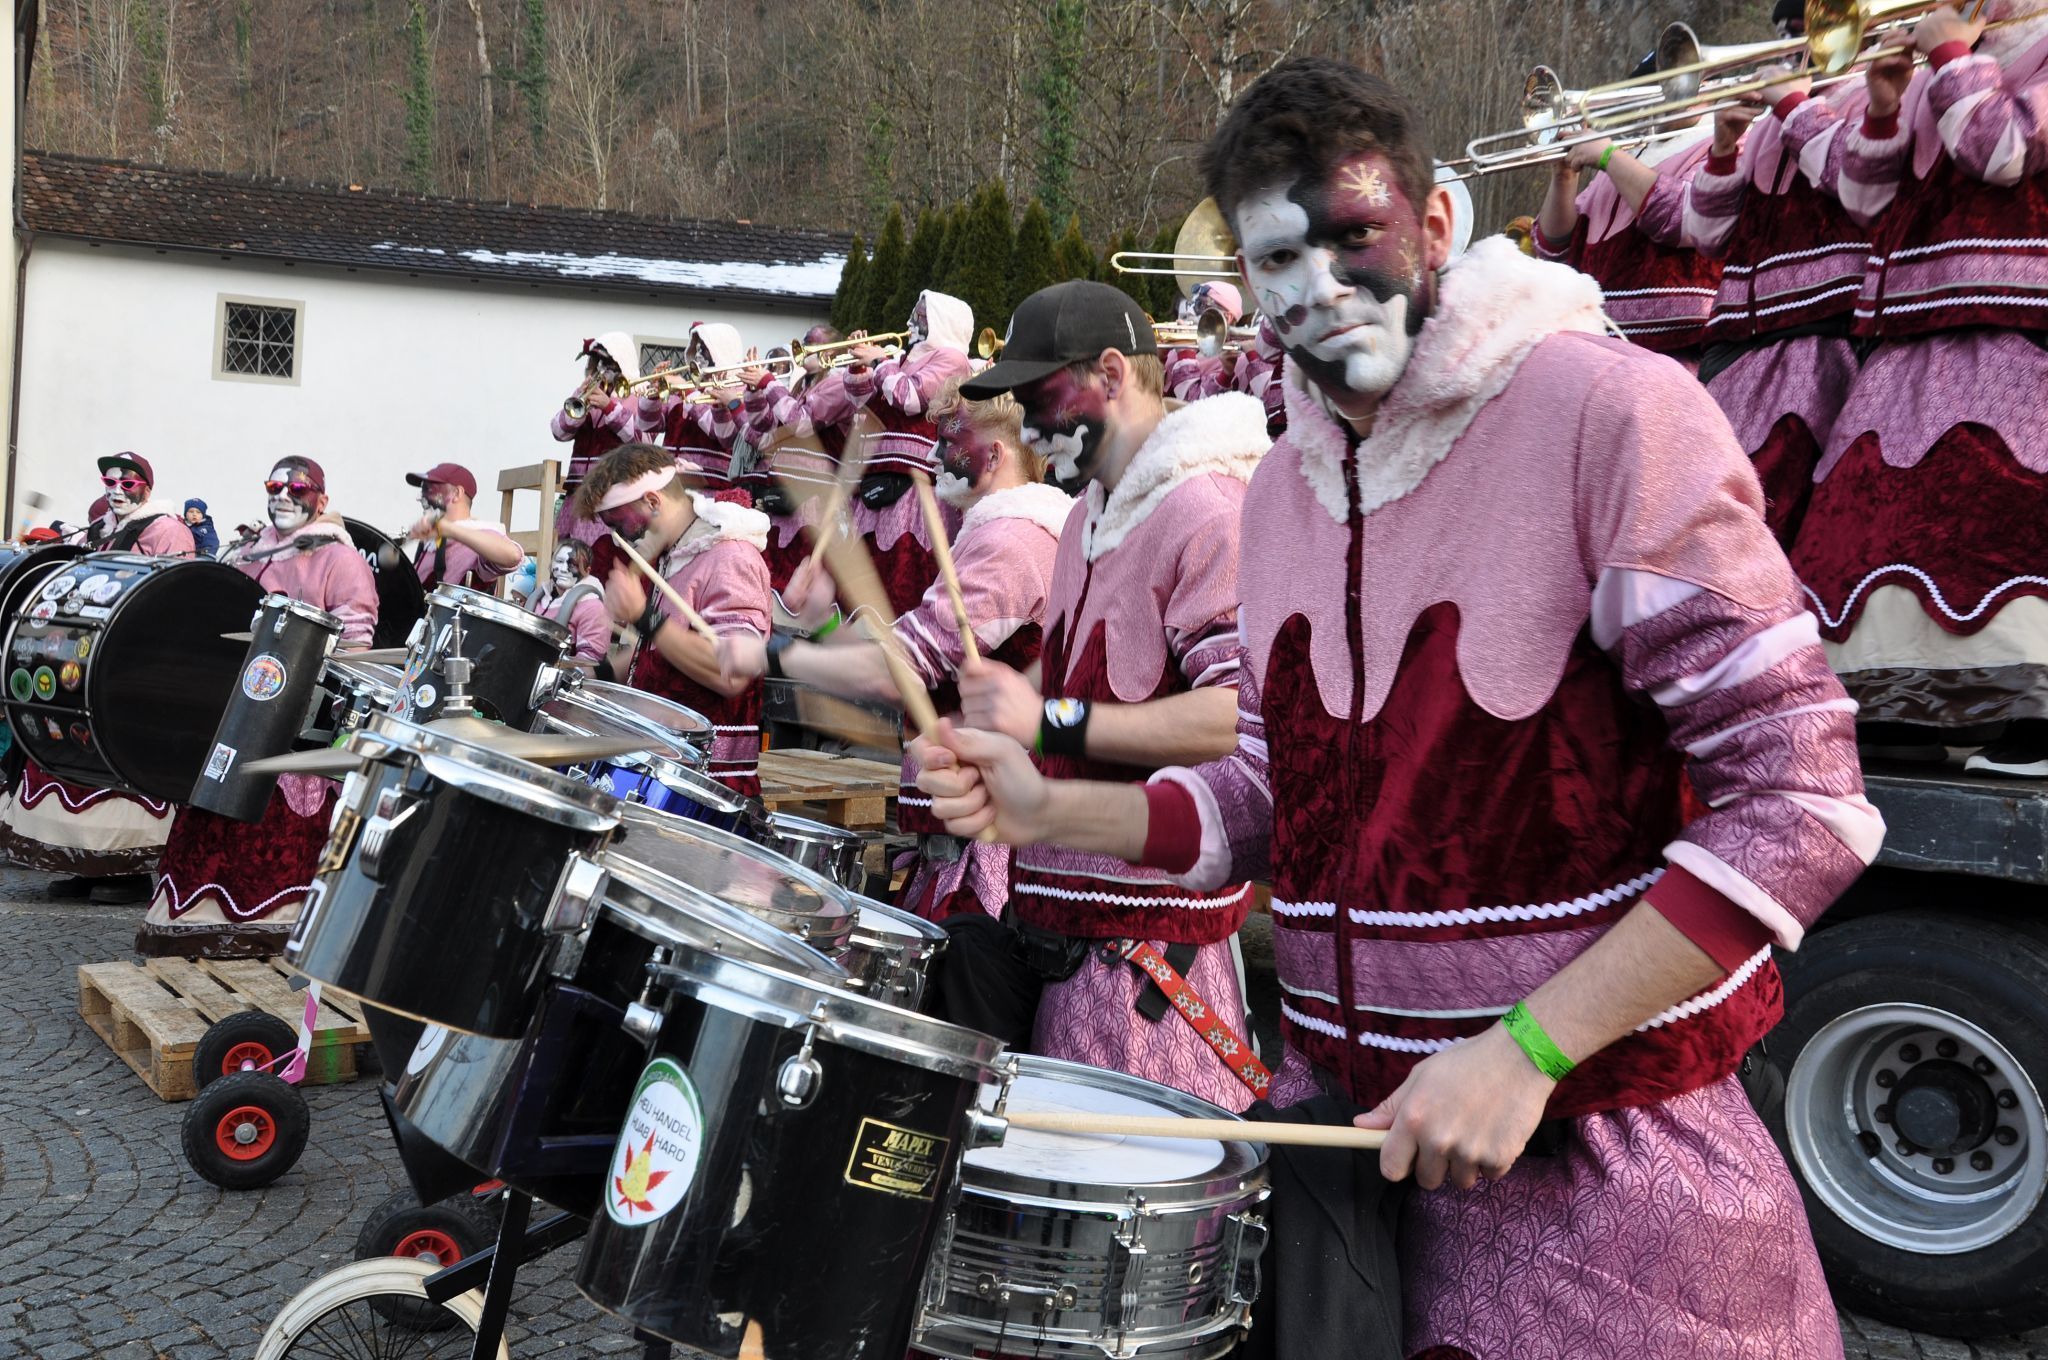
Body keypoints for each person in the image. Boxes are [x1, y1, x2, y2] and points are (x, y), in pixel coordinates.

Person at [916, 58, 1881, 1359]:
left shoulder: (1608, 410)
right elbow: (1271, 797)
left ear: (1434, 229)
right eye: (1276, 260)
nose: (1318, 286)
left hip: (1607, 1176)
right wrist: (1053, 800)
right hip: (1348, 1174)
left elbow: (1806, 802)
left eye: (1354, 235)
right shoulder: (1285, 492)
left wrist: (1531, 1049)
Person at [932, 279, 1270, 1114]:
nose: (1031, 423)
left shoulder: (1210, 509)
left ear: (1111, 374)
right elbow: (1077, 680)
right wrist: (1002, 738)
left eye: (1041, 395)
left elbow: (1237, 718)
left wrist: (1051, 723)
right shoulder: (1088, 512)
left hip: (1150, 969)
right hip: (1062, 939)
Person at [1775, 2, 2048, 774]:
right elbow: (1865, 201)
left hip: (2020, 319)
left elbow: (2002, 150)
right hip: (1918, 321)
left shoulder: (1983, 51)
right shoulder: (1959, 52)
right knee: (1874, 517)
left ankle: (2036, 721)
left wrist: (1955, 56)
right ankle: (1910, 712)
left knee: (2005, 512)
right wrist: (1888, 105)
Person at [773, 378, 1071, 922]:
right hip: (967, 821)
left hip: (992, 841)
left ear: (996, 454)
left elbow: (901, 671)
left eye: (949, 441)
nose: (933, 456)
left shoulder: (1011, 541)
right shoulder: (1000, 532)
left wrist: (785, 654)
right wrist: (823, 625)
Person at [1591, 56, 1871, 549]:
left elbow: (1862, 182)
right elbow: (1709, 228)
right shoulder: (1761, 125)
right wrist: (1725, 148)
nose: (1789, 53)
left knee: (1760, 530)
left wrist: (1789, 107)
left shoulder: (1856, 97)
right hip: (1738, 353)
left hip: (1815, 343)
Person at [139, 457, 379, 957]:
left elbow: (358, 638)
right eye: (275, 485)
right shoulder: (249, 550)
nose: (283, 495)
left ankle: (274, 929)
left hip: (296, 729)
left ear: (322, 500)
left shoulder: (340, 558)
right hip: (234, 716)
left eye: (297, 488)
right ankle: (196, 924)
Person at [0, 454, 195, 903]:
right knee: (78, 757)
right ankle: (82, 864)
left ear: (146, 486)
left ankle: (125, 871)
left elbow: (181, 593)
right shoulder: (102, 528)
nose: (117, 488)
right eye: (109, 480)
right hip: (90, 665)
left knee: (118, 765)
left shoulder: (167, 530)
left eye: (128, 482)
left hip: (138, 669)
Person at [576, 443, 772, 795]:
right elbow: (658, 659)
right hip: (660, 768)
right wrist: (589, 677)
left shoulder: (730, 557)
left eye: (618, 523)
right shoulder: (675, 556)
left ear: (652, 501)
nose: (619, 538)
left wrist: (644, 617)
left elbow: (732, 675)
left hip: (705, 787)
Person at [1533, 109, 1721, 367]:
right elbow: (1554, 250)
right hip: (1598, 353)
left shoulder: (1726, 142)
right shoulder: (1630, 152)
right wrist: (1563, 175)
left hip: (1676, 358)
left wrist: (1609, 156)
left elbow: (1682, 218)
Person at [828, 291, 975, 616]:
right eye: (917, 313)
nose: (916, 322)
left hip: (917, 478)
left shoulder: (952, 357)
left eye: (925, 315)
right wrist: (858, 366)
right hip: (880, 471)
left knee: (904, 562)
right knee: (867, 562)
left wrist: (881, 362)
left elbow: (909, 398)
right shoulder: (903, 359)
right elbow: (862, 402)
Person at [405, 461, 522, 593]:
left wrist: (447, 529)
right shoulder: (431, 542)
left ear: (456, 493)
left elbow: (513, 555)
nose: (420, 498)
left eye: (428, 489)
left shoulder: (480, 534)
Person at [82, 453, 195, 554]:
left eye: (128, 484)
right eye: (110, 482)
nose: (117, 491)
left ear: (147, 492)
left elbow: (181, 576)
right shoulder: (98, 526)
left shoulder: (170, 531)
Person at [529, 540, 612, 665]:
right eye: (560, 561)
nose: (563, 569)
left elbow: (588, 663)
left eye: (572, 565)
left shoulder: (592, 607)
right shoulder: (540, 598)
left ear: (587, 571)